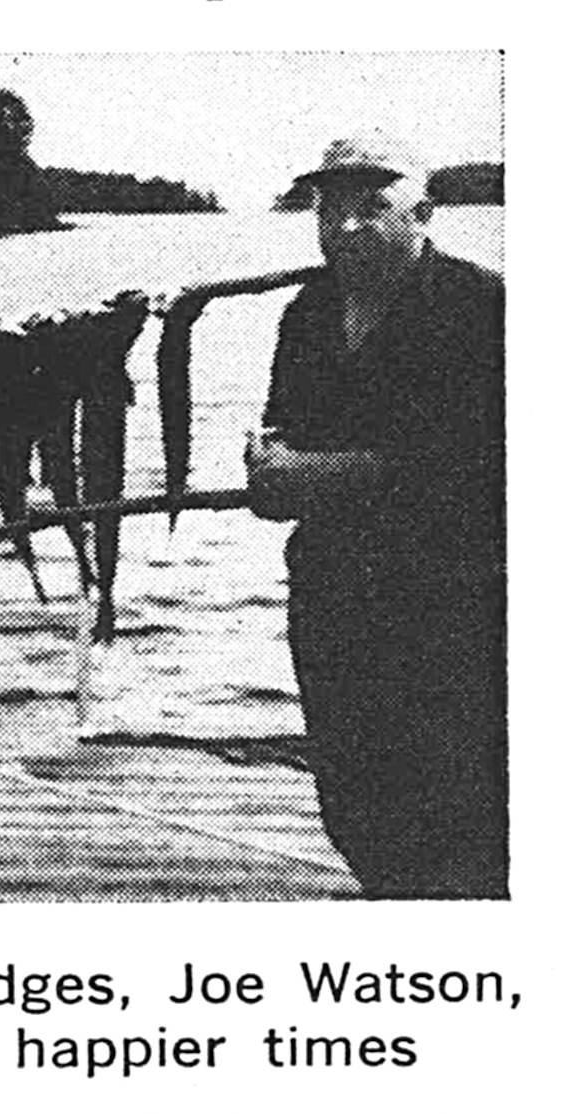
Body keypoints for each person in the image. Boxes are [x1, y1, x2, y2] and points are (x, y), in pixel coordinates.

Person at [246, 133, 506, 898]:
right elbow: (280, 449)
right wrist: (273, 474)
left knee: (465, 808)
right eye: (331, 211)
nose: (347, 229)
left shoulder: (485, 307)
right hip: (332, 599)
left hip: (453, 601)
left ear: (423, 213)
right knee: (354, 802)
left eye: (373, 209)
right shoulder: (309, 313)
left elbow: (470, 465)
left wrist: (304, 474)